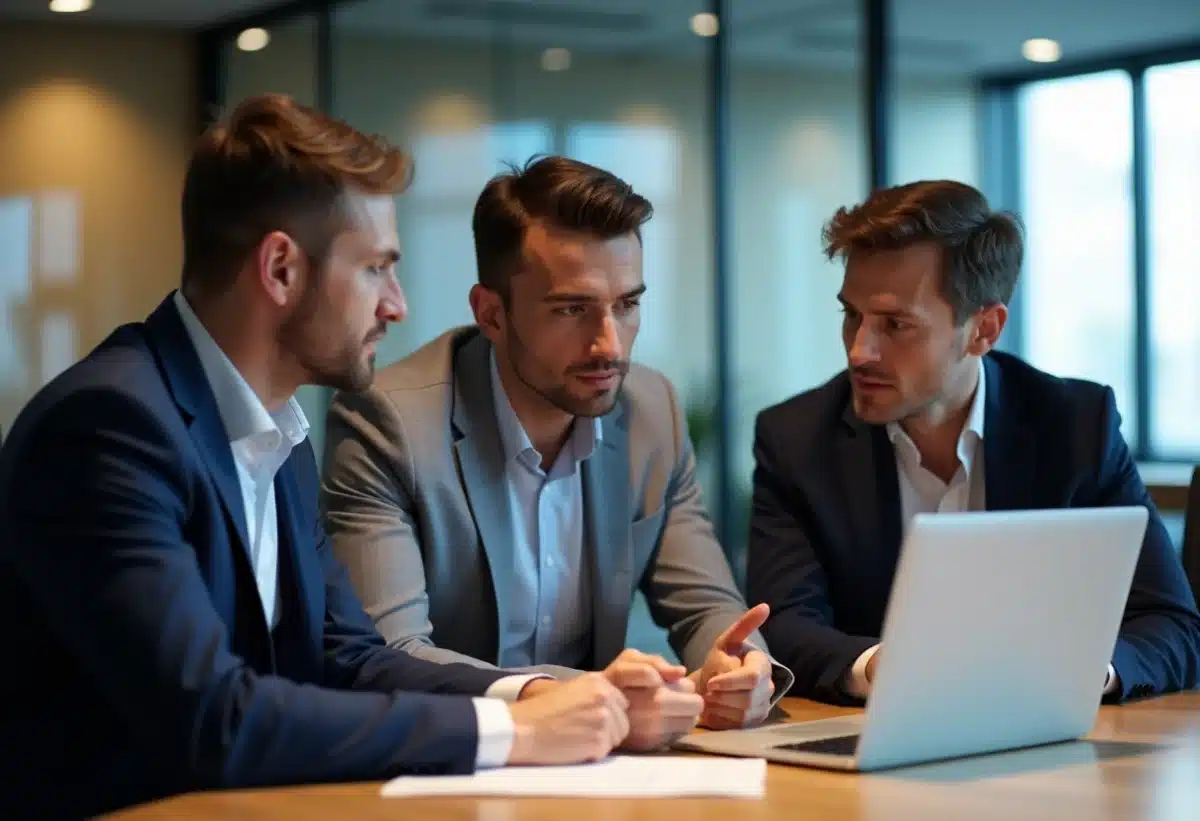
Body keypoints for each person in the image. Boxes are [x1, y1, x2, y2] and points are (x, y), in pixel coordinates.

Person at [0, 96, 694, 819]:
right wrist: (510, 729)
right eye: (376, 269)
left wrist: (542, 694)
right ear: (280, 269)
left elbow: (349, 657)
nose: (396, 305)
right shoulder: (111, 429)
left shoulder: (277, 435)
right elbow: (214, 716)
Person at [320, 155, 793, 735]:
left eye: (627, 304)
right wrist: (571, 695)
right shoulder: (388, 423)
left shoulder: (652, 412)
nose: (609, 345)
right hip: (452, 764)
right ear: (491, 314)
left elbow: (706, 608)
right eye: (573, 309)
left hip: (600, 772)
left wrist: (740, 669)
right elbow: (388, 653)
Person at [746, 179, 1200, 705]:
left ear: (984, 329)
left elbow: (1172, 624)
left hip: (1053, 750)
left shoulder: (1076, 426)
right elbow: (781, 623)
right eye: (852, 315)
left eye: (895, 324)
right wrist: (880, 667)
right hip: (868, 746)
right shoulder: (797, 439)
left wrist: (1082, 672)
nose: (859, 351)